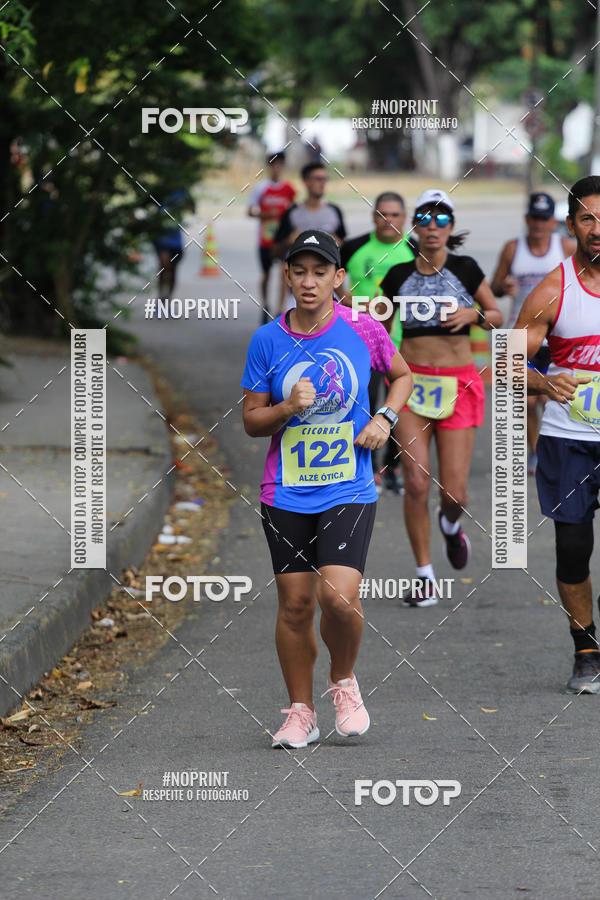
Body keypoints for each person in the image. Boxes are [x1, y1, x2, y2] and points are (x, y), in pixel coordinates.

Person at [241, 229, 413, 747]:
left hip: (349, 486)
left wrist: (384, 416)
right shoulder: (268, 340)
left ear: (339, 278)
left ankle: (343, 679)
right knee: (295, 606)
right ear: (288, 276)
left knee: (337, 596)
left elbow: (402, 376)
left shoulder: (363, 328)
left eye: (321, 272)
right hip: (286, 491)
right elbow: (251, 421)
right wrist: (287, 408)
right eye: (300, 271)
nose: (310, 282)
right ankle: (300, 712)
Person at [380, 189, 503, 607]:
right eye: (425, 219)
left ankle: (450, 526)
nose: (432, 226)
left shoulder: (466, 269)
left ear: (451, 227)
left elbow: (497, 317)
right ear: (415, 226)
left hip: (459, 385)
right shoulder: (396, 275)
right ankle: (424, 576)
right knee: (416, 481)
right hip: (412, 387)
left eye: (441, 219)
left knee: (454, 494)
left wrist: (475, 315)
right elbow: (376, 328)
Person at [516, 175, 600, 693]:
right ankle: (587, 647)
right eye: (588, 218)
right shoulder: (554, 288)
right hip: (568, 439)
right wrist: (544, 380)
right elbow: (506, 361)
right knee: (572, 549)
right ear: (570, 225)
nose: (598, 229)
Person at [491, 192, 576, 473]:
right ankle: (537, 451)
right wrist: (505, 287)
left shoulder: (564, 247)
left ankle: (557, 448)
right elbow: (493, 287)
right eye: (534, 218)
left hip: (557, 335)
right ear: (527, 219)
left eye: (544, 219)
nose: (539, 224)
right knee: (528, 399)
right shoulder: (513, 249)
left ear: (553, 222)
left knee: (553, 396)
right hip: (523, 333)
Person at [340, 192, 417, 493]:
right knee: (367, 404)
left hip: (403, 342)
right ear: (373, 216)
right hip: (363, 343)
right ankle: (368, 468)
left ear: (405, 218)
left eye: (395, 215)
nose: (389, 221)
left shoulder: (414, 249)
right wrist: (353, 307)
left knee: (399, 407)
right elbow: (331, 281)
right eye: (383, 214)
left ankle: (394, 466)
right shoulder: (354, 247)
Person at [247, 152, 296, 324]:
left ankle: (280, 310)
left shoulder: (289, 189)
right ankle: (265, 304)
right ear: (269, 167)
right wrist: (266, 213)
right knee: (266, 275)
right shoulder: (261, 188)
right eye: (274, 165)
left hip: (282, 240)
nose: (277, 168)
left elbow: (293, 212)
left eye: (280, 165)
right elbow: (250, 211)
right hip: (265, 240)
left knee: (285, 272)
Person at [153, 188, 195, 301]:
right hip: (161, 237)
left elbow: (193, 209)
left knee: (173, 269)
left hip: (176, 238)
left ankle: (168, 298)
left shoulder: (183, 192)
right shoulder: (160, 190)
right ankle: (161, 296)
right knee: (163, 266)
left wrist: (185, 204)